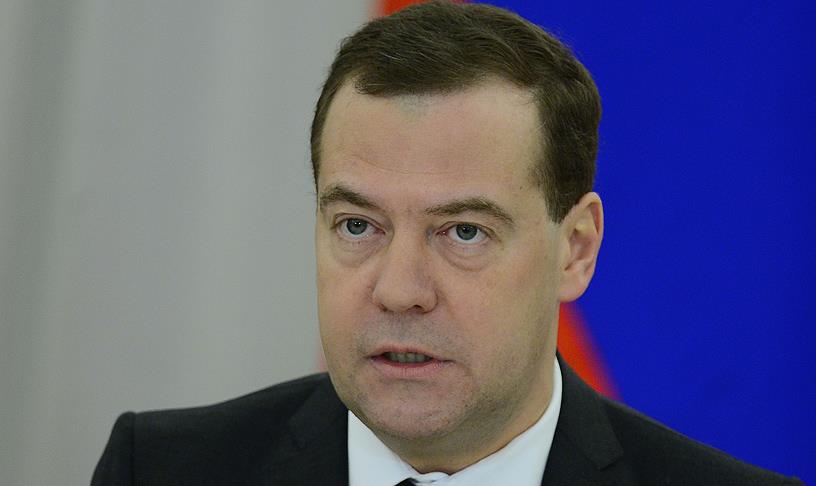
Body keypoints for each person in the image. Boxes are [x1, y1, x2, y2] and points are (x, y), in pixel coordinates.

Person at [92, 2, 802, 485]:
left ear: (576, 249)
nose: (399, 290)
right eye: (358, 225)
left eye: (464, 232)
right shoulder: (159, 471)